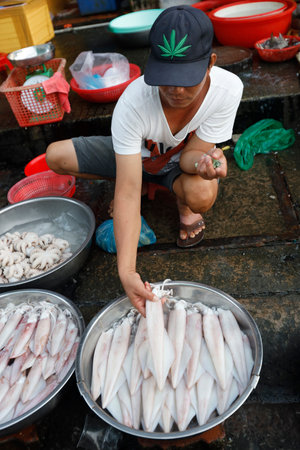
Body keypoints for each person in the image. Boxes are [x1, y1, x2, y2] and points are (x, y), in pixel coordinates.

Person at [46, 5, 243, 316]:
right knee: (55, 156)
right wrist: (127, 272)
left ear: (210, 64)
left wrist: (202, 165)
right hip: (135, 159)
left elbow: (192, 153)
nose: (176, 90)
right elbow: (124, 192)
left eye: (187, 79)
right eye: (167, 78)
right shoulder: (133, 103)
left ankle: (178, 199)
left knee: (202, 193)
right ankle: (139, 181)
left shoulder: (228, 90)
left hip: (177, 162)